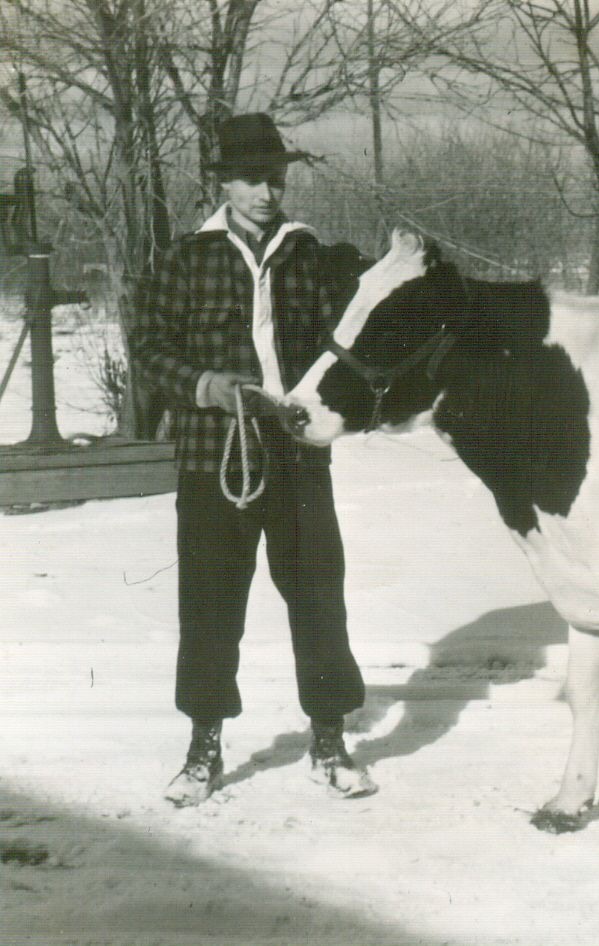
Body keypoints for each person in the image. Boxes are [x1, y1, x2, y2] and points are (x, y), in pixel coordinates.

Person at [130, 113, 375, 807]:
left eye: (276, 178)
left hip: (295, 455)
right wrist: (202, 385)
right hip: (215, 456)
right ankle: (204, 747)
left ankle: (328, 739)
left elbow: (345, 338)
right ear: (225, 184)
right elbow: (148, 343)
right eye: (252, 179)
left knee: (318, 595)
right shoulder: (187, 258)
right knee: (211, 605)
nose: (266, 191)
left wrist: (367, 277)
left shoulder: (308, 255)